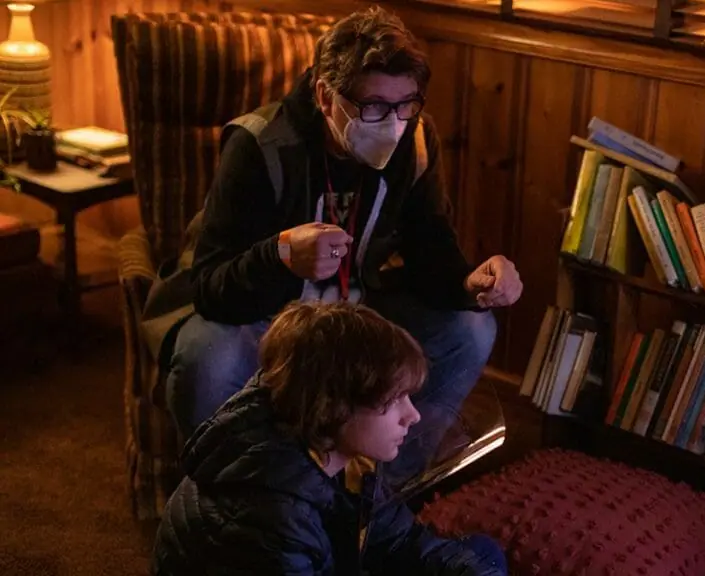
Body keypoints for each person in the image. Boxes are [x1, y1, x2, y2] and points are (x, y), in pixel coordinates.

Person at [154, 6, 523, 481]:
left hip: (358, 311)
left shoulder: (415, 140)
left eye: (405, 103)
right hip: (267, 319)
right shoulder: (259, 144)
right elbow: (210, 288)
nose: (391, 123)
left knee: (472, 329)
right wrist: (282, 255)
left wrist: (470, 282)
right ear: (326, 97)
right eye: (372, 107)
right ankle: (243, 506)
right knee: (207, 358)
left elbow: (432, 249)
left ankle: (383, 495)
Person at [152, 301, 509, 575]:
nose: (412, 415)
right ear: (333, 405)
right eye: (392, 401)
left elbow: (394, 537)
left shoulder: (329, 452)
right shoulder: (272, 520)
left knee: (480, 556)